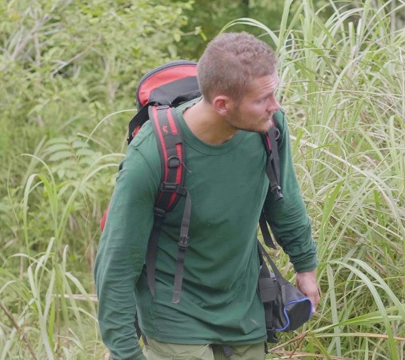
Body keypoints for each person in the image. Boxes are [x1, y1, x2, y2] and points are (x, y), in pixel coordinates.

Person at [94, 32, 320, 360]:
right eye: (263, 99)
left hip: (244, 307)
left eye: (275, 93)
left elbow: (284, 200)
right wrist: (125, 352)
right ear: (222, 105)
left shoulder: (269, 130)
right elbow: (116, 263)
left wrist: (305, 266)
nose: (276, 106)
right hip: (174, 315)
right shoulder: (151, 156)